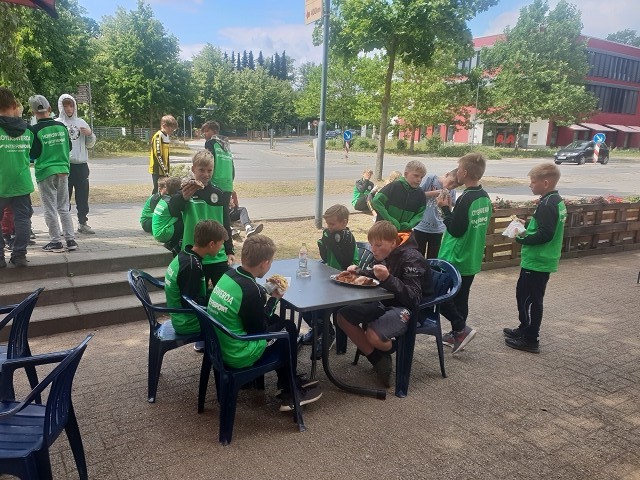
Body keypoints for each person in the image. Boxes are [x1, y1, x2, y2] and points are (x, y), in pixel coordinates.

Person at [208, 234, 322, 411]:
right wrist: (274, 298)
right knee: (288, 331)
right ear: (265, 263)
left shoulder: (229, 274)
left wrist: (266, 290)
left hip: (219, 344)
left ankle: (287, 381)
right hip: (238, 353)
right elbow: (259, 329)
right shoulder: (251, 291)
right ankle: (290, 391)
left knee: (280, 322)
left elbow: (247, 305)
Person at [336, 221, 432, 387]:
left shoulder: (412, 259)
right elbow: (374, 273)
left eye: (378, 245)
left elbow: (414, 298)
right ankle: (379, 359)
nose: (373, 249)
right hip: (384, 303)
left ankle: (392, 348)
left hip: (408, 310)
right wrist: (357, 272)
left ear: (393, 242)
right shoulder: (387, 254)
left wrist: (388, 279)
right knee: (343, 316)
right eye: (372, 245)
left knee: (373, 336)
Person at [503, 163, 566, 353]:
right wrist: (528, 224)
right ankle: (524, 328)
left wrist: (522, 238)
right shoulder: (555, 201)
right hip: (541, 259)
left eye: (533, 182)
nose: (530, 185)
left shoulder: (547, 204)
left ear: (545, 183)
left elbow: (545, 234)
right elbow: (546, 226)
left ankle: (531, 338)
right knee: (525, 295)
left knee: (529, 299)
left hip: (538, 261)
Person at [437, 153, 492, 354]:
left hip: (455, 258)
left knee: (439, 294)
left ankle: (460, 328)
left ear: (465, 173)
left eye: (459, 169)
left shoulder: (466, 198)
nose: (457, 172)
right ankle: (458, 335)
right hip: (472, 256)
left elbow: (456, 230)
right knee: (462, 298)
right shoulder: (484, 196)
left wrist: (445, 210)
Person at [168, 150, 235, 289]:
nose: (206, 174)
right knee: (195, 295)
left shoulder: (219, 193)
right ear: (193, 169)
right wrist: (182, 198)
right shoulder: (185, 191)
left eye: (210, 170)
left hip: (218, 256)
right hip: (193, 256)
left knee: (223, 293)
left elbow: (225, 223)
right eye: (201, 170)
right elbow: (172, 210)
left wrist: (229, 250)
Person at [301, 204, 360, 358]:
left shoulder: (347, 237)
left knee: (321, 305)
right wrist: (323, 244)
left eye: (332, 224)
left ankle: (327, 334)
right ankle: (322, 329)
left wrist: (332, 243)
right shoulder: (331, 234)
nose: (329, 227)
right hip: (331, 277)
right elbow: (325, 258)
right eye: (327, 224)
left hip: (346, 280)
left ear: (344, 222)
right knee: (307, 301)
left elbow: (345, 263)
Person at [164, 220, 228, 354]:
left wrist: (215, 293)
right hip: (186, 322)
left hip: (179, 315)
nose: (221, 248)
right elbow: (191, 303)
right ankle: (224, 357)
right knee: (230, 317)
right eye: (221, 244)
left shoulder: (185, 255)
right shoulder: (191, 267)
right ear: (211, 244)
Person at [29, 95, 77, 253]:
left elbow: (34, 153)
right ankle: (70, 240)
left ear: (33, 112)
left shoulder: (35, 130)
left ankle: (56, 241)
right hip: (63, 171)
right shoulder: (61, 127)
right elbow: (69, 147)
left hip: (46, 172)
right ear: (50, 109)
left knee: (50, 208)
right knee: (64, 207)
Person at [0, 87, 34, 268]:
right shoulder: (28, 130)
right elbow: (34, 152)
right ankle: (19, 255)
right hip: (22, 182)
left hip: (1, 183)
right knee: (22, 219)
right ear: (14, 105)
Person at [57, 94, 96, 235]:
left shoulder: (81, 122)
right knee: (64, 197)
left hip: (81, 166)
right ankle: (64, 225)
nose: (69, 109)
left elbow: (90, 145)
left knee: (82, 196)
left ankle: (82, 223)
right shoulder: (57, 124)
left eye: (71, 105)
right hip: (65, 166)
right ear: (61, 107)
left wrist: (90, 134)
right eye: (66, 106)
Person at [414, 168, 460, 259]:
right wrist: (434, 193)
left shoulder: (452, 191)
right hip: (420, 226)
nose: (450, 186)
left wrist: (448, 202)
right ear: (447, 174)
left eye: (455, 186)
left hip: (438, 229)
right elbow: (416, 195)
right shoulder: (431, 179)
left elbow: (449, 210)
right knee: (418, 256)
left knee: (433, 258)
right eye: (451, 182)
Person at [371, 160, 427, 232]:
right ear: (406, 174)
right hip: (384, 229)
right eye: (416, 175)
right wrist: (390, 220)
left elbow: (420, 213)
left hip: (405, 232)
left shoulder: (420, 194)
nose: (419, 179)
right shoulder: (394, 186)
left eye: (421, 177)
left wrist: (409, 225)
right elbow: (376, 201)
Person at [202, 120, 234, 230]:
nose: (204, 134)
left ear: (215, 132)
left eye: (207, 131)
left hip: (215, 183)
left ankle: (218, 234)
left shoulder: (210, 143)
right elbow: (232, 167)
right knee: (225, 213)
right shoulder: (226, 145)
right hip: (228, 184)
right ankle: (228, 235)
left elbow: (208, 162)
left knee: (213, 213)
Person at [152, 177, 184, 256]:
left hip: (156, 231)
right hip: (163, 233)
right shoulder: (171, 202)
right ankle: (173, 246)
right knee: (183, 223)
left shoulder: (164, 199)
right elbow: (179, 214)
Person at [149, 114, 177, 195]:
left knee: (164, 190)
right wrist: (164, 169)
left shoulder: (166, 136)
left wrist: (167, 169)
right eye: (171, 128)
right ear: (164, 126)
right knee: (157, 190)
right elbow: (158, 154)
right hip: (157, 169)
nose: (172, 130)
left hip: (164, 170)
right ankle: (151, 203)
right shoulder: (158, 136)